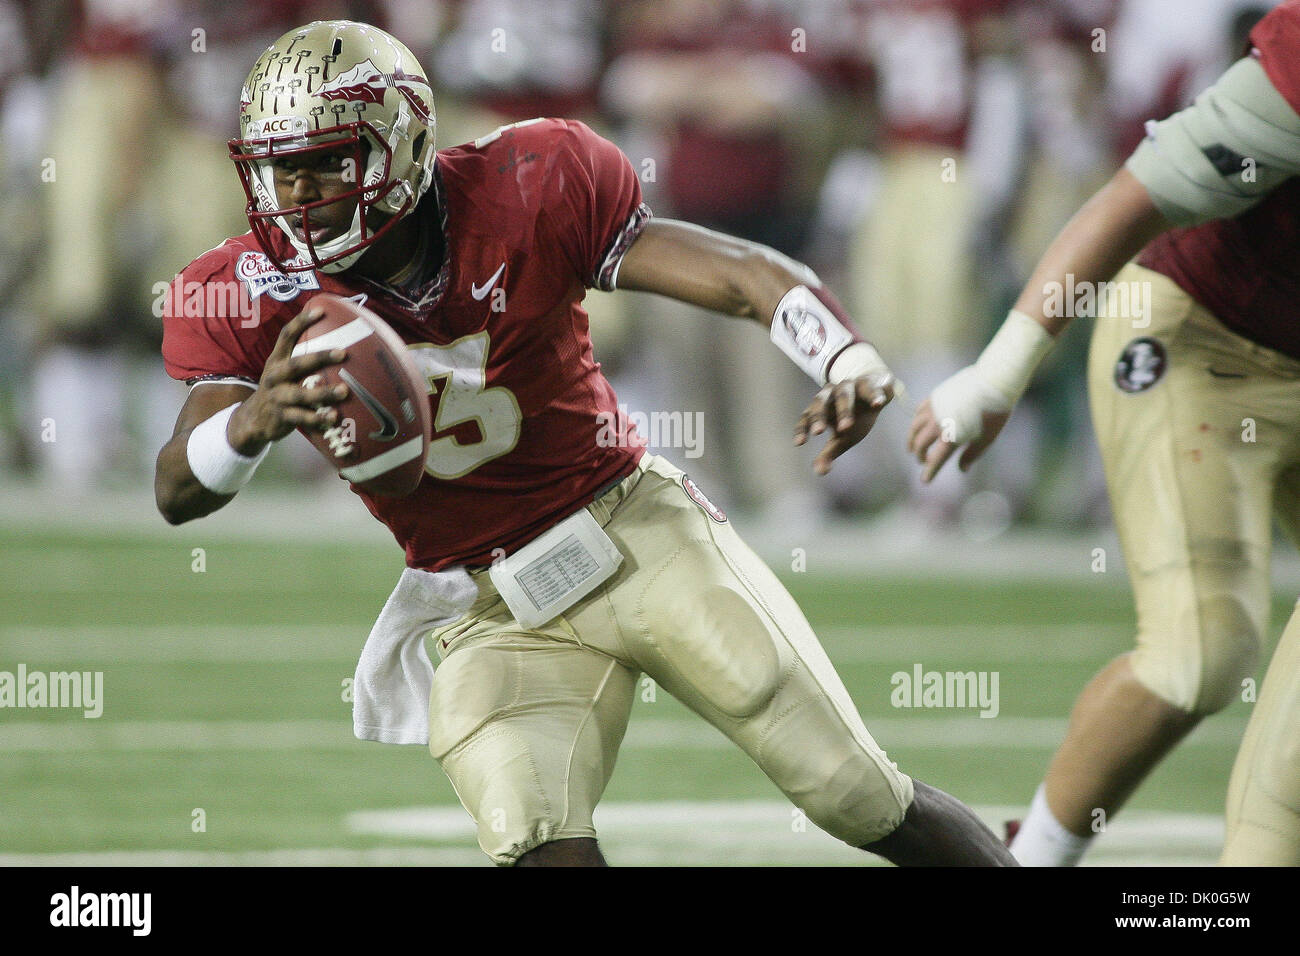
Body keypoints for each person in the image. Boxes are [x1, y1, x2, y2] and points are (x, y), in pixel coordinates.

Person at [154, 19, 1015, 867]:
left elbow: (742, 273)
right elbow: (177, 491)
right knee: (533, 833)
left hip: (633, 531)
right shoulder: (252, 285)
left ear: (399, 144)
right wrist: (251, 421)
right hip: (487, 606)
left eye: (321, 165)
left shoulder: (528, 180)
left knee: (852, 793)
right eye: (278, 171)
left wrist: (844, 355)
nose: (295, 197)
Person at [909, 0, 1300, 865]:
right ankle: (1035, 857)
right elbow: (1132, 202)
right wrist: (998, 374)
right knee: (1200, 652)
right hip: (1199, 339)